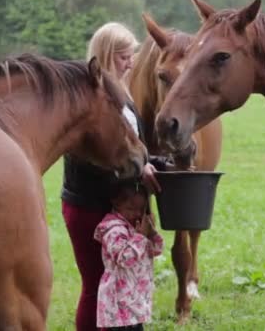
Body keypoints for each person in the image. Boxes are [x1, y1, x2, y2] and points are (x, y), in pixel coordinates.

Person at [61, 22, 167, 331]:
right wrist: (138, 171)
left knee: (124, 283)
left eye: (132, 54)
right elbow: (93, 159)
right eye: (124, 56)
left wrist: (157, 163)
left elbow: (132, 146)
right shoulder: (89, 100)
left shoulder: (121, 93)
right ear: (106, 55)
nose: (131, 62)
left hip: (119, 206)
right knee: (97, 285)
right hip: (90, 206)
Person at [94, 182, 163, 330]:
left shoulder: (135, 225)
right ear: (116, 203)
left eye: (140, 209)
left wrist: (150, 233)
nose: (137, 213)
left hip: (135, 301)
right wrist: (140, 236)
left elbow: (156, 250)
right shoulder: (113, 229)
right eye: (131, 209)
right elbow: (124, 259)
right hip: (119, 305)